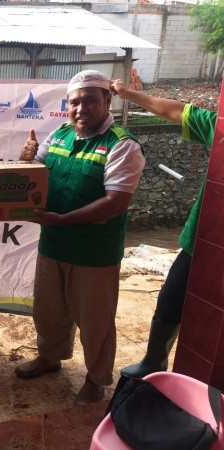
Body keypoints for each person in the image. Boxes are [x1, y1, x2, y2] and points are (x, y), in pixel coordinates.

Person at [16, 70, 145, 405]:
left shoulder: (122, 144)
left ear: (107, 100)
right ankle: (50, 358)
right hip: (53, 244)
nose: (81, 108)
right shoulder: (59, 134)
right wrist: (26, 160)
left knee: (95, 322)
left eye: (90, 100)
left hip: (94, 254)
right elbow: (33, 178)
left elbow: (115, 203)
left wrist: (61, 220)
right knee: (48, 311)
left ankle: (96, 379)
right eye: (74, 101)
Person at [111, 79, 217, 378]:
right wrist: (129, 94)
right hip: (202, 240)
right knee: (171, 298)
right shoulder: (219, 128)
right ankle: (154, 362)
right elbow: (175, 111)